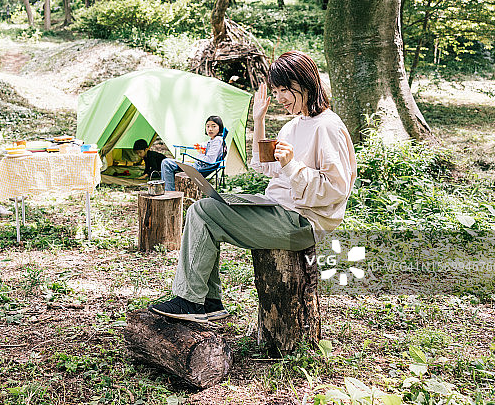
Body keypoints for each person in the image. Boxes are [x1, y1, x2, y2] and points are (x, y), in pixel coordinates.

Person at [149, 51, 357, 322]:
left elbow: (336, 190)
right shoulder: (294, 126)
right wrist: (258, 121)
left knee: (203, 212)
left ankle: (192, 300)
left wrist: (293, 166)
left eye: (285, 90)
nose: (280, 98)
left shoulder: (327, 127)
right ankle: (208, 301)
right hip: (278, 208)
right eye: (276, 90)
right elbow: (266, 166)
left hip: (303, 223)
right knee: (205, 210)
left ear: (306, 85)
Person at [160, 116, 225, 191]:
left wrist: (200, 154)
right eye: (208, 126)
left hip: (200, 168)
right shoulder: (214, 139)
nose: (210, 129)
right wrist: (201, 147)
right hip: (200, 165)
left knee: (166, 163)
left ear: (219, 128)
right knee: (168, 163)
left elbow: (209, 160)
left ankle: (170, 191)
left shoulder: (217, 140)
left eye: (213, 126)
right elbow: (205, 145)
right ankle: (169, 190)